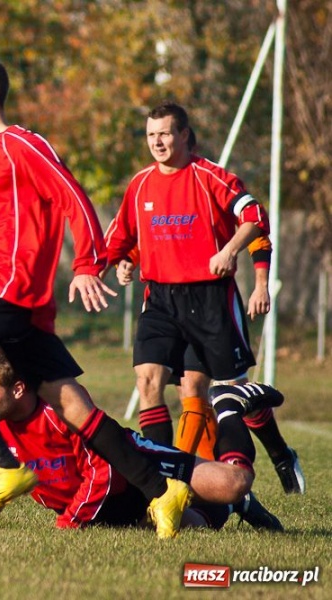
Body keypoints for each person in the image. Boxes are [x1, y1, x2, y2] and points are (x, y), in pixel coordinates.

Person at [0, 56, 192, 538]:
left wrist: (84, 266)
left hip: (9, 291)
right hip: (11, 301)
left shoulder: (22, 145)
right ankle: (164, 493)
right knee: (74, 407)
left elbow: (72, 197)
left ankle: (3, 462)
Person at [105, 100, 303, 492]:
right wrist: (122, 262)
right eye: (150, 135)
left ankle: (280, 453)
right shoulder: (141, 183)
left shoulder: (210, 176)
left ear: (183, 135)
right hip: (160, 298)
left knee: (230, 393)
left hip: (210, 300)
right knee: (148, 382)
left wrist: (234, 257)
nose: (157, 142)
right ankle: (159, 485)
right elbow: (124, 237)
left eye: (164, 133)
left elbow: (255, 220)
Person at [0, 350, 283, 532]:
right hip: (109, 507)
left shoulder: (62, 414)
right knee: (197, 526)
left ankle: (230, 406)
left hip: (131, 467)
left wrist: (69, 523)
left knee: (233, 484)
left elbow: (104, 473)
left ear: (17, 390)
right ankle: (232, 510)